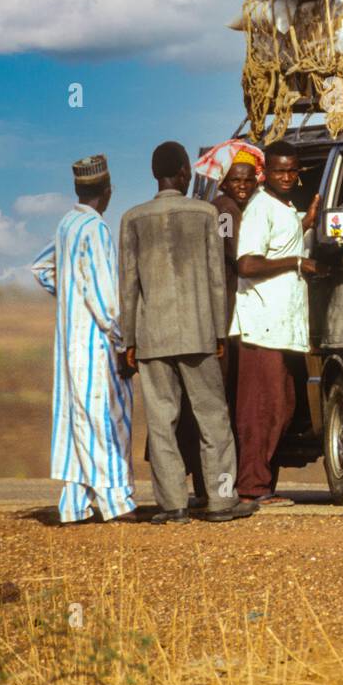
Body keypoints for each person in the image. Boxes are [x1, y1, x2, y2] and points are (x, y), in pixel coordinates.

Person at [119, 141, 256, 525]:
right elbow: (216, 279)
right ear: (184, 173)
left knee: (163, 422)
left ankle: (173, 506)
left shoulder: (132, 218)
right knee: (213, 417)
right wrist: (219, 333)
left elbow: (128, 286)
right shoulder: (204, 213)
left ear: (154, 174)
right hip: (198, 333)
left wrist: (129, 340)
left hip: (152, 337)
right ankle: (221, 500)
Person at [31, 154, 136, 525]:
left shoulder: (66, 224)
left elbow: (42, 267)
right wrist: (124, 341)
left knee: (78, 419)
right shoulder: (95, 229)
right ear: (107, 192)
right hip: (94, 345)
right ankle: (116, 502)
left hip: (68, 344)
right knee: (103, 419)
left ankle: (73, 506)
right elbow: (107, 301)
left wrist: (70, 293)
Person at [231, 142, 322, 506]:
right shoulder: (258, 208)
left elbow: (279, 242)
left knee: (282, 405)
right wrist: (297, 263)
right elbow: (248, 264)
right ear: (264, 173)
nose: (286, 177)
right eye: (279, 171)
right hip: (261, 325)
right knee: (261, 410)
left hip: (281, 327)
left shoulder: (281, 207)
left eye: (292, 171)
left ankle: (261, 484)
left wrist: (306, 224)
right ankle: (251, 488)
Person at [176, 153, 259, 505]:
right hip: (222, 315)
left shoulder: (225, 207)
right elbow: (232, 249)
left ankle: (205, 484)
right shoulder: (224, 210)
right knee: (216, 402)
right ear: (224, 183)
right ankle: (215, 487)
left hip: (219, 313)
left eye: (248, 180)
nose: (242, 186)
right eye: (236, 180)